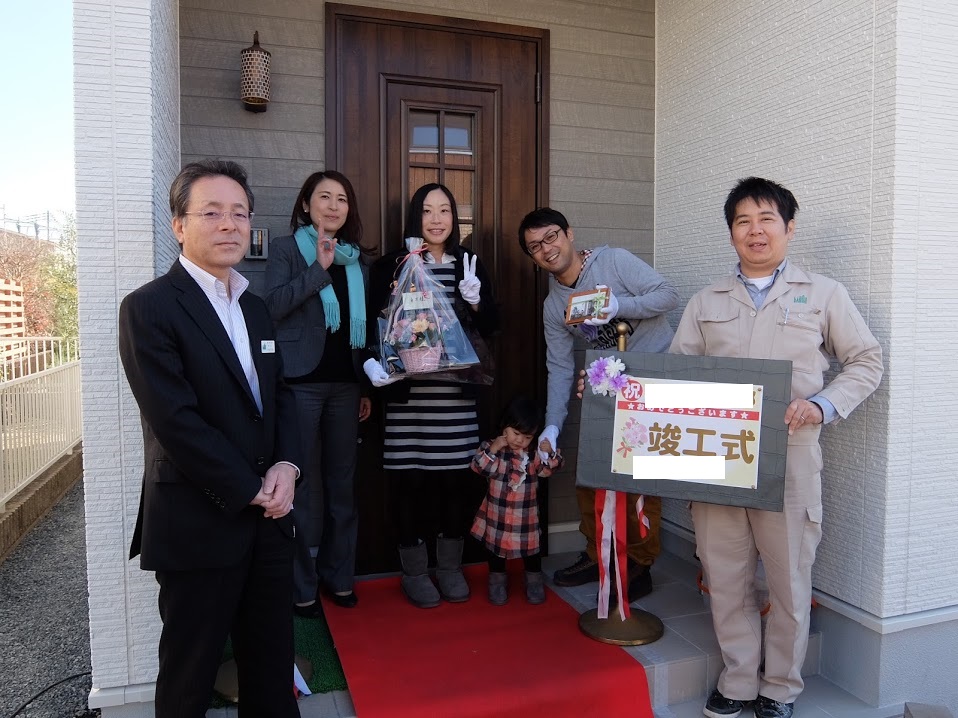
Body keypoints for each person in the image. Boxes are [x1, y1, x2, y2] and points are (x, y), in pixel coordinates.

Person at [670, 177, 883, 718]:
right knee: (726, 576)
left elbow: (866, 361)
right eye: (743, 221)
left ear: (789, 228)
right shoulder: (706, 301)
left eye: (766, 219)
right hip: (718, 458)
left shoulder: (824, 294)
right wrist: (616, 390)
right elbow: (675, 377)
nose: (755, 230)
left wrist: (823, 405)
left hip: (790, 458)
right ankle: (739, 681)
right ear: (731, 234)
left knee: (788, 579)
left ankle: (781, 687)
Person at [118, 159, 301, 718]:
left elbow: (280, 395)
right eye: (212, 213)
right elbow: (175, 421)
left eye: (240, 214)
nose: (229, 224)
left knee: (271, 671)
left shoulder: (254, 307)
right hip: (198, 520)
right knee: (188, 678)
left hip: (269, 521)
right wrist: (250, 487)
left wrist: (287, 467)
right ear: (179, 225)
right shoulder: (148, 307)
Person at [518, 207, 679, 603]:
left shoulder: (614, 261)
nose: (547, 249)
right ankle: (597, 554)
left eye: (551, 237)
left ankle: (639, 564)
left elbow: (667, 295)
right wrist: (552, 426)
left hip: (652, 382)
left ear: (569, 234)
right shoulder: (554, 305)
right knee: (590, 473)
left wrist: (618, 306)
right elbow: (559, 367)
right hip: (606, 387)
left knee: (641, 481)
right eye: (535, 246)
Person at [364, 182, 499, 609]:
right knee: (408, 485)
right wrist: (370, 366)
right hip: (408, 401)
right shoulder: (395, 264)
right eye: (427, 210)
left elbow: (492, 326)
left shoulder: (468, 264)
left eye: (445, 210)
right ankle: (415, 572)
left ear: (454, 218)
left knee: (455, 485)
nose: (436, 219)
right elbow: (374, 324)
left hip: (455, 401)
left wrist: (475, 302)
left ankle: (450, 568)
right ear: (414, 217)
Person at [264, 170, 371, 615]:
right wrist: (318, 270)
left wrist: (365, 386)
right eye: (324, 197)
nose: (333, 206)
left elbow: (363, 330)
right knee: (301, 488)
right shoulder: (287, 249)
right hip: (300, 385)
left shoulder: (357, 260)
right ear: (306, 204)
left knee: (342, 487)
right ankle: (301, 586)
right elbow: (271, 307)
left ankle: (339, 578)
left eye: (341, 199)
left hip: (346, 386)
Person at [470, 395, 563, 605]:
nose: (520, 440)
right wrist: (494, 448)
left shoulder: (533, 454)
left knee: (532, 551)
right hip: (498, 515)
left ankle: (534, 581)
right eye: (516, 433)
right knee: (495, 549)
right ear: (505, 426)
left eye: (527, 437)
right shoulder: (492, 447)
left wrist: (550, 454)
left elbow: (546, 471)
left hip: (526, 516)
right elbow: (479, 468)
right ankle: (496, 581)